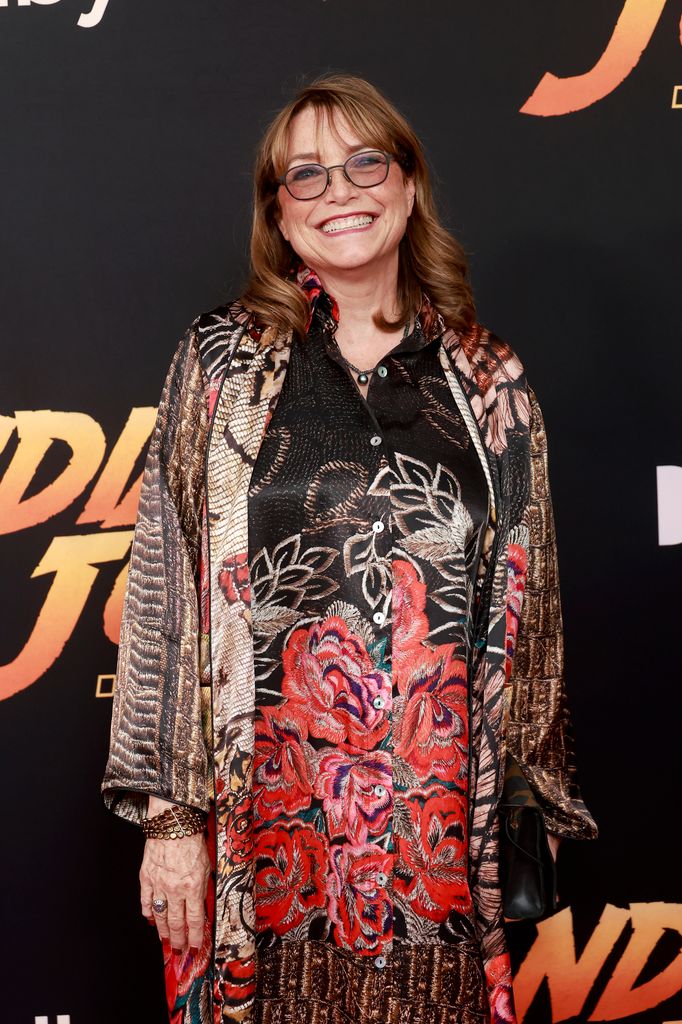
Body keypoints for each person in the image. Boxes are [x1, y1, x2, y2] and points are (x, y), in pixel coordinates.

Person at [102, 73, 597, 1024]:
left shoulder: (490, 381)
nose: (342, 192)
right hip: (263, 840)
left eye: (366, 162)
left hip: (441, 846)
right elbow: (166, 590)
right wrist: (172, 824)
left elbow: (533, 613)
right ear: (279, 217)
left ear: (409, 187)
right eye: (308, 177)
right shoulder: (220, 367)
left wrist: (523, 812)